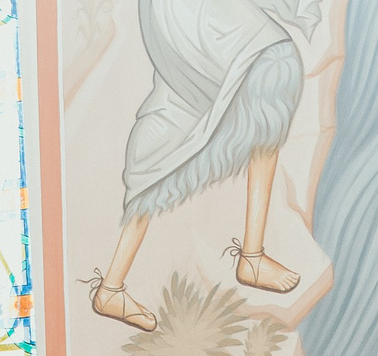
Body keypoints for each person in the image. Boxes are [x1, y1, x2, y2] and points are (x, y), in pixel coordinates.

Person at [94, 0, 320, 328]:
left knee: (181, 112)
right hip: (187, 14)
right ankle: (251, 258)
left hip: (175, 16)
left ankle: (112, 286)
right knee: (271, 63)